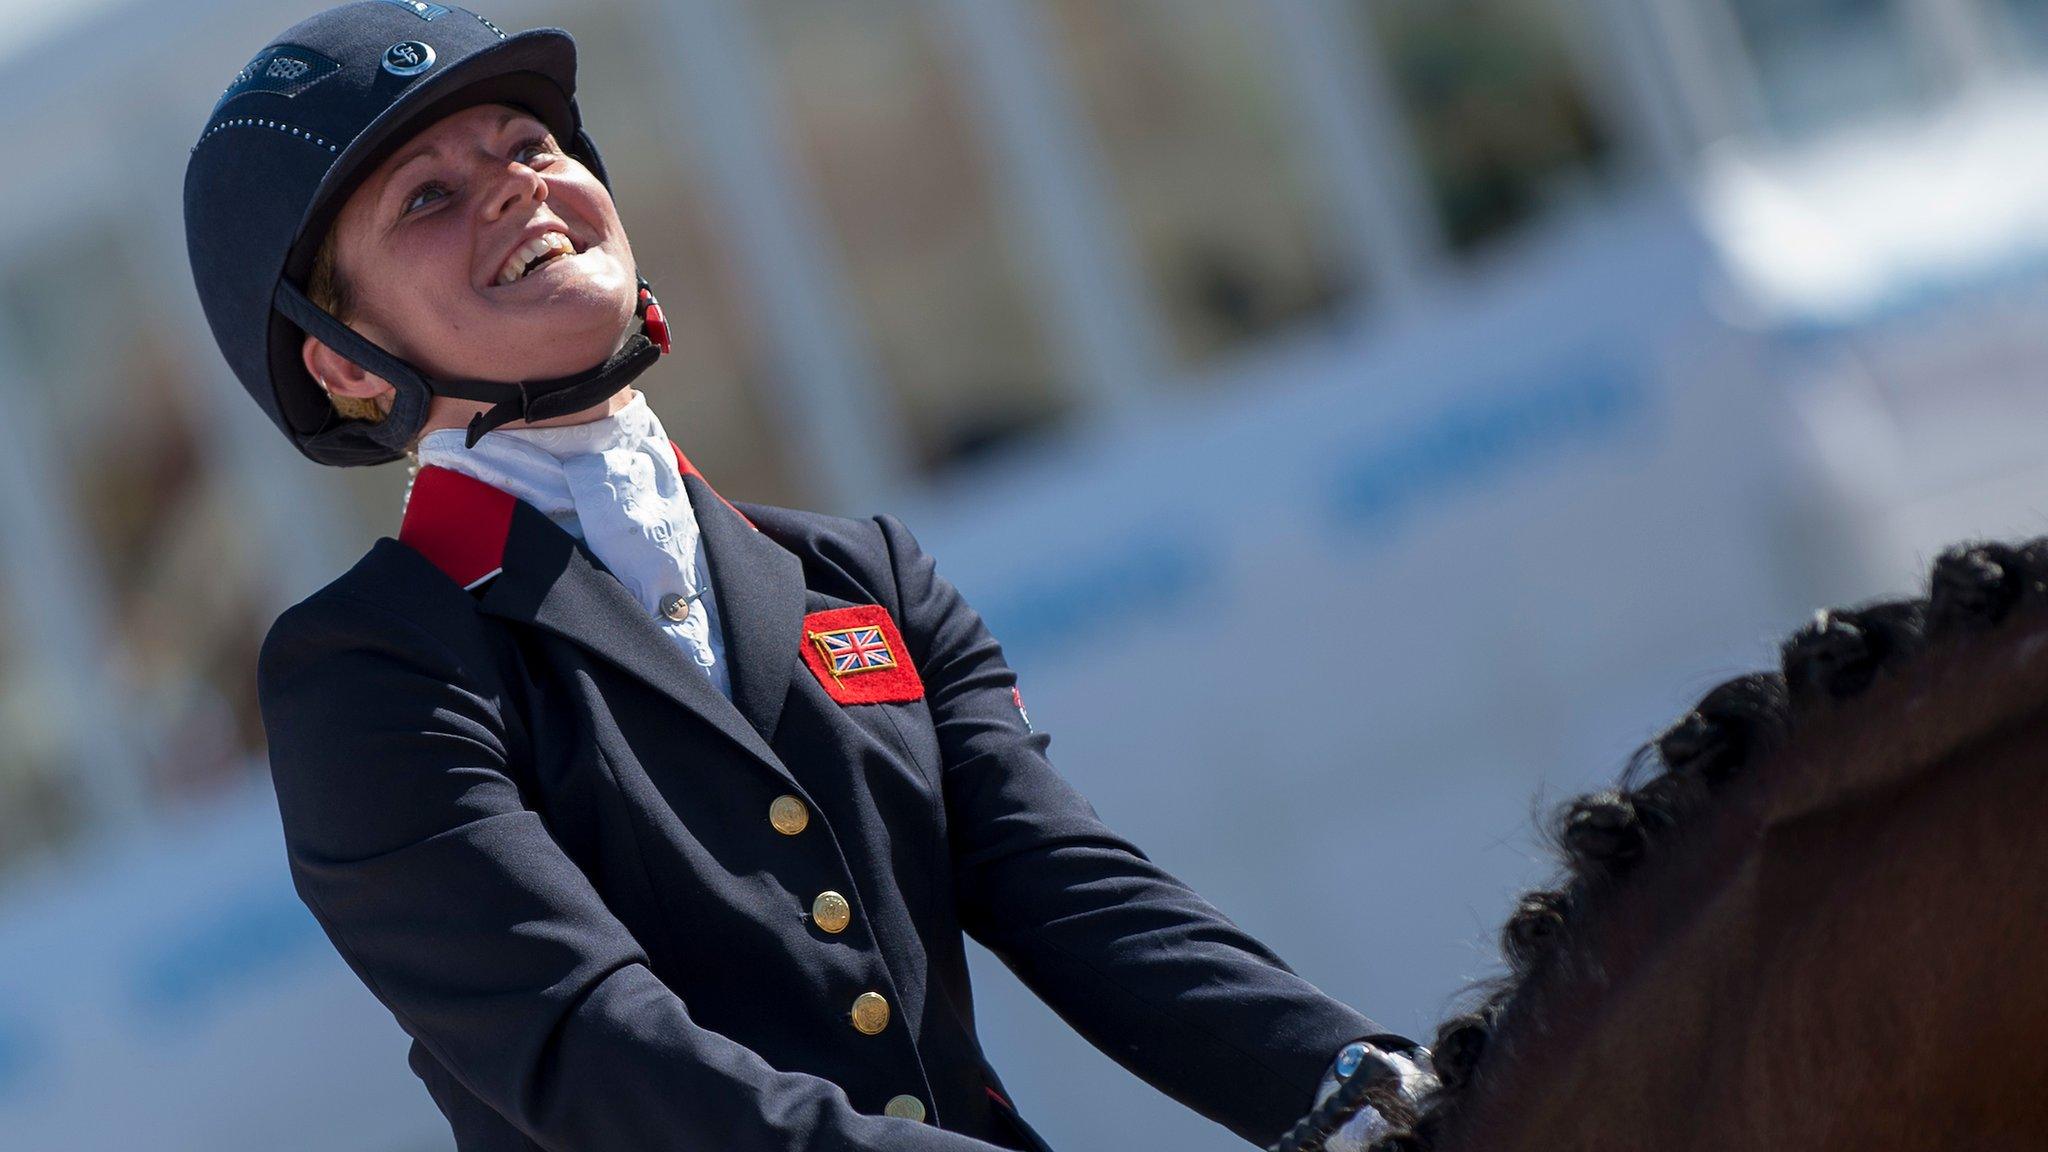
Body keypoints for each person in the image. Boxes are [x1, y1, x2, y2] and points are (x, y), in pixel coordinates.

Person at [182, 4, 1429, 1149]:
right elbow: (594, 1047)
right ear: (344, 363)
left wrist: (1355, 1076)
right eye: (427, 197)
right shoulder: (371, 670)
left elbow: (1077, 896)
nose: (516, 188)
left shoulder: (861, 575)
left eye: (528, 143)